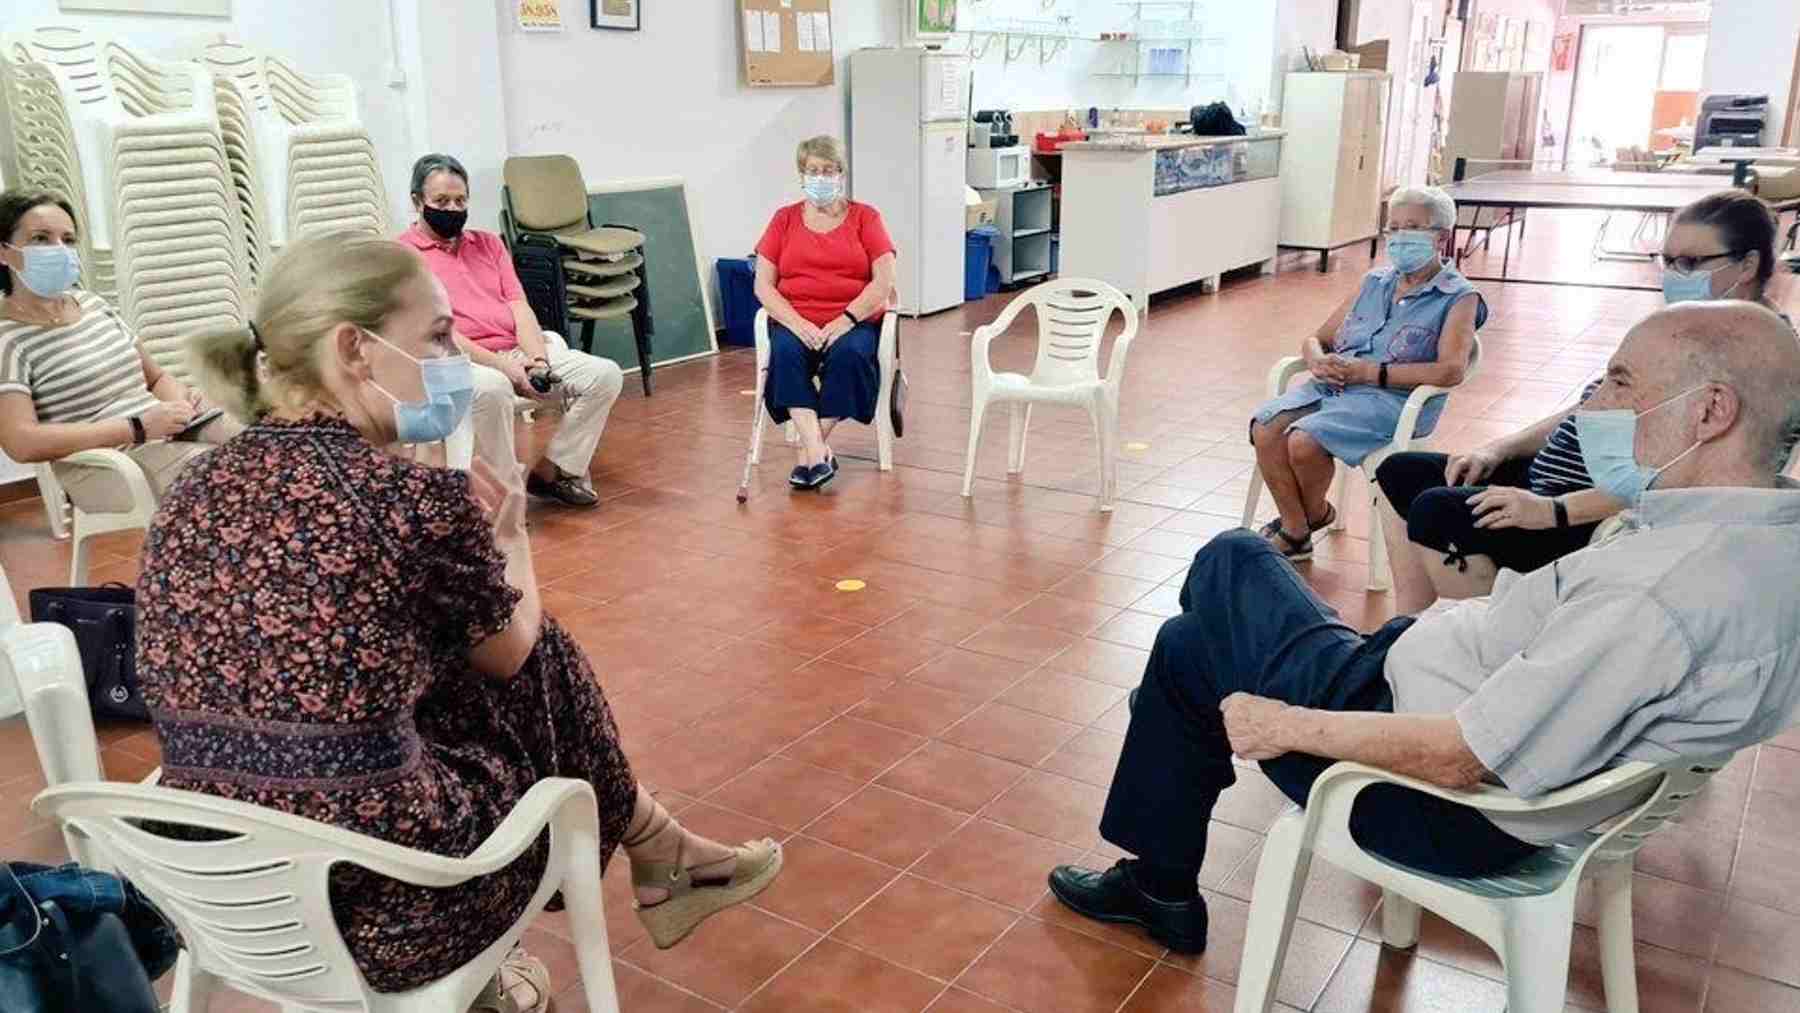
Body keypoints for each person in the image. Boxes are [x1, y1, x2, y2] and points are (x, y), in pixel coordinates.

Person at [137, 233, 781, 1001]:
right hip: (387, 913)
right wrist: (509, 536)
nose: (456, 357)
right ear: (354, 348)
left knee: (440, 664)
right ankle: (654, 849)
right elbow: (511, 652)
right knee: (534, 654)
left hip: (220, 893)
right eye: (438, 336)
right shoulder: (410, 501)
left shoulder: (191, 486)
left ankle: (656, 850)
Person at [1047, 300, 1800, 956]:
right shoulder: (1761, 538)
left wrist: (1281, 722)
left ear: (1711, 411)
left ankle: (1179, 744)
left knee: (1230, 558)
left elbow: (1460, 756)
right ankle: (1163, 867)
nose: (1594, 401)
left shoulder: (1658, 597)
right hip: (1430, 696)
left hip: (1427, 793)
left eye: (1621, 381)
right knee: (1189, 648)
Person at [1373, 190, 1794, 614]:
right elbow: (1593, 404)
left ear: (1748, 265)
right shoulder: (1688, 328)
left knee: (1439, 512)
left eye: (1690, 263)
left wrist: (1554, 511)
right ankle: (1406, 627)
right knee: (1402, 471)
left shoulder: (1762, 365)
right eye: (1667, 261)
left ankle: (1476, 642)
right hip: (1550, 480)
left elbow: (1695, 484)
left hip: (1589, 511)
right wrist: (1499, 449)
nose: (1673, 275)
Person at [1248, 185, 1486, 560]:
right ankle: (1300, 527)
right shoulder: (1375, 281)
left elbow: (1451, 370)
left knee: (1303, 441)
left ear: (1440, 236)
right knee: (1265, 427)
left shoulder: (1459, 296)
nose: (1399, 237)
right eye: (1393, 227)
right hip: (1336, 387)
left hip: (1393, 399)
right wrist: (1315, 360)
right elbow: (1319, 337)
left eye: (1412, 227)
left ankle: (1305, 520)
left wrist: (1371, 373)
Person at [399, 153, 624, 508]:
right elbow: (438, 331)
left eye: (460, 200)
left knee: (604, 375)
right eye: (441, 201)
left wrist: (535, 361)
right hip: (455, 360)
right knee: (493, 387)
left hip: (515, 352)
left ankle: (556, 471)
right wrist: (503, 366)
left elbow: (520, 307)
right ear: (417, 202)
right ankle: (501, 494)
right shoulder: (403, 256)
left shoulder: (489, 244)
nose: (453, 208)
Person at [0, 189, 240, 514]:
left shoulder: (95, 306)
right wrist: (136, 427)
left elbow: (154, 378)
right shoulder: (7, 338)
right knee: (236, 473)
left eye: (68, 240)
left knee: (265, 437)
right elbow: (21, 441)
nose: (59, 250)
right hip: (104, 466)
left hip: (159, 433)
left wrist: (181, 404)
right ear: (5, 252)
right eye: (41, 239)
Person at [754, 135, 897, 490]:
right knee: (785, 353)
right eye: (813, 170)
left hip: (853, 320)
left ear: (841, 173)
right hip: (796, 319)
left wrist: (844, 320)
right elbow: (763, 286)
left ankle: (810, 451)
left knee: (852, 355)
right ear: (802, 175)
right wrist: (797, 323)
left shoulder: (866, 217)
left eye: (828, 170)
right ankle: (818, 451)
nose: (821, 177)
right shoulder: (784, 220)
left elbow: (884, 282)